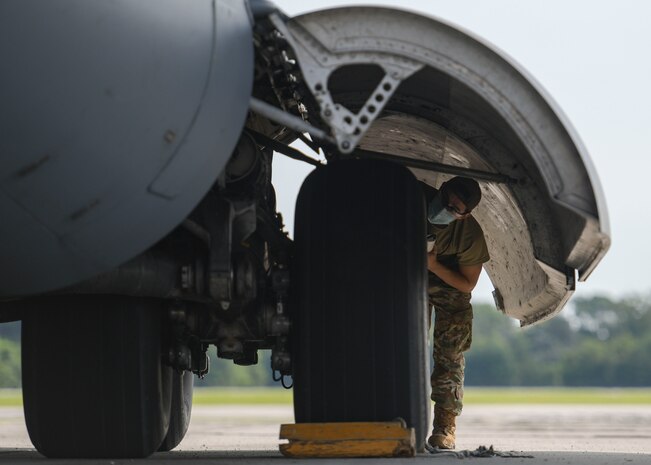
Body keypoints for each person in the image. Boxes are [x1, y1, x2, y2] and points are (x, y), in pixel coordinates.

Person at [422, 176, 490, 450]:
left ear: (464, 215)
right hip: (403, 273)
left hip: (446, 279)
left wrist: (434, 265)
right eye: (446, 200)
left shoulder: (470, 236)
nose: (445, 207)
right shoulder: (409, 198)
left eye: (454, 208)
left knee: (449, 352)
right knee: (400, 343)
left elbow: (467, 283)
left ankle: (445, 427)